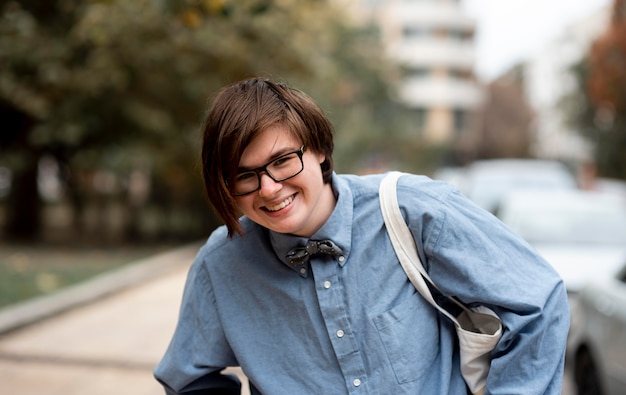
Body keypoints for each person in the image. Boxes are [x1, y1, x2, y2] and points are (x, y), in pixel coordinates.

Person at [154, 77, 570, 394]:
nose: (268, 188)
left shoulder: (413, 210)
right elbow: (188, 377)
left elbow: (538, 301)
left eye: (283, 161)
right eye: (245, 175)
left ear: (318, 149)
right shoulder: (222, 262)